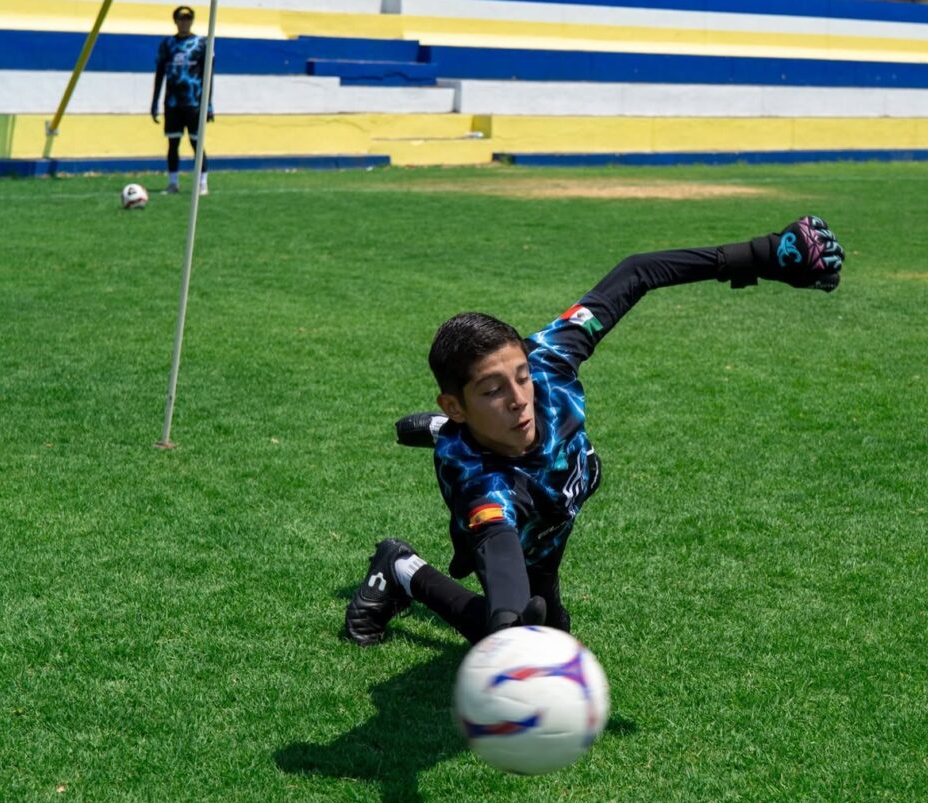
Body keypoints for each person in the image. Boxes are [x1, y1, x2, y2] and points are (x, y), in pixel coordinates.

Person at [345, 216, 845, 647]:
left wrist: (762, 255)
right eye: (493, 390)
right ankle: (400, 567)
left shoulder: (550, 357)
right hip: (524, 516)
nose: (522, 398)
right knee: (521, 639)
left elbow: (637, 272)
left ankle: (446, 430)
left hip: (550, 492)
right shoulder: (480, 488)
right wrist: (508, 618)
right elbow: (499, 549)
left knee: (536, 614)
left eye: (520, 377)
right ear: (456, 402)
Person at [151, 5, 212, 196]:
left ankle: (202, 183)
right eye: (180, 18)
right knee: (173, 143)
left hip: (194, 103)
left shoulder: (201, 44)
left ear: (192, 21)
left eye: (187, 19)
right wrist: (154, 102)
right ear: (175, 21)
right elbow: (160, 73)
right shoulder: (167, 44)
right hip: (172, 103)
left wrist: (208, 104)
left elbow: (209, 76)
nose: (184, 22)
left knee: (196, 143)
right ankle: (173, 183)